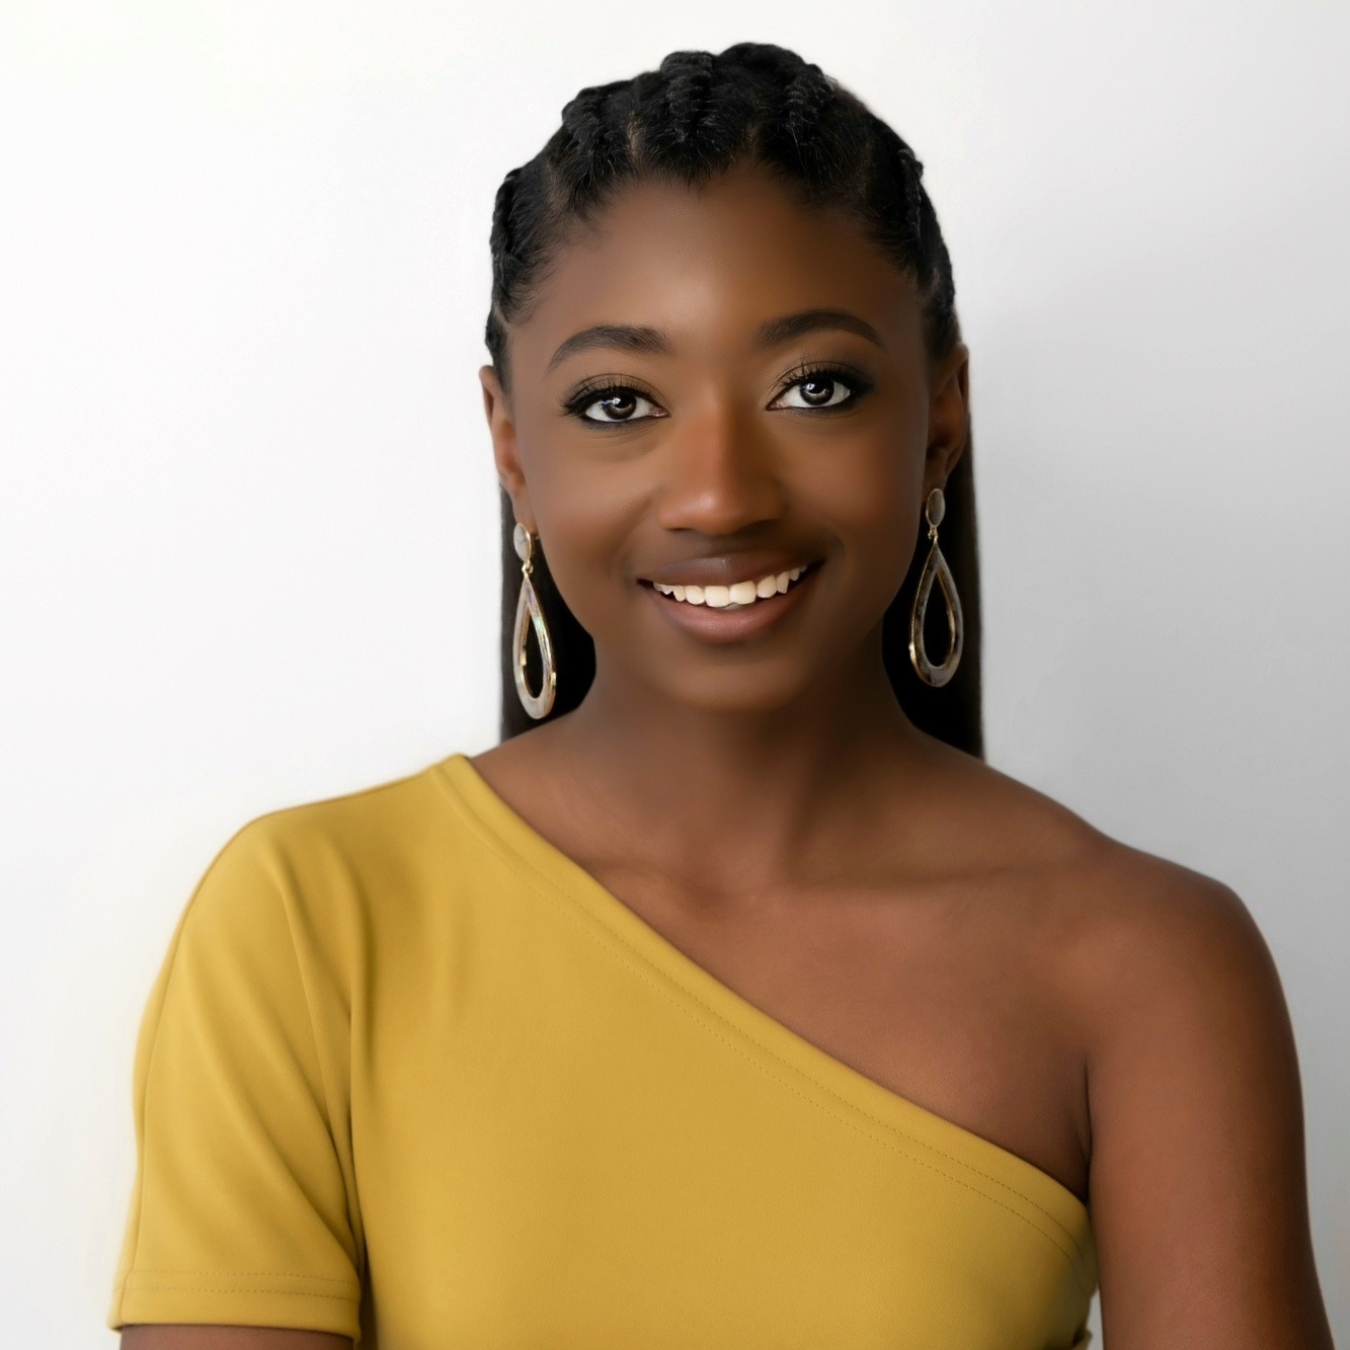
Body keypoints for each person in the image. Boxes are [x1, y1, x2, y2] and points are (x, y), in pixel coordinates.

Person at [110, 43, 1333, 1350]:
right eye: (618, 400)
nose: (718, 493)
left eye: (815, 387)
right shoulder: (308, 923)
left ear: (939, 417)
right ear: (509, 446)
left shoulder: (1145, 965)